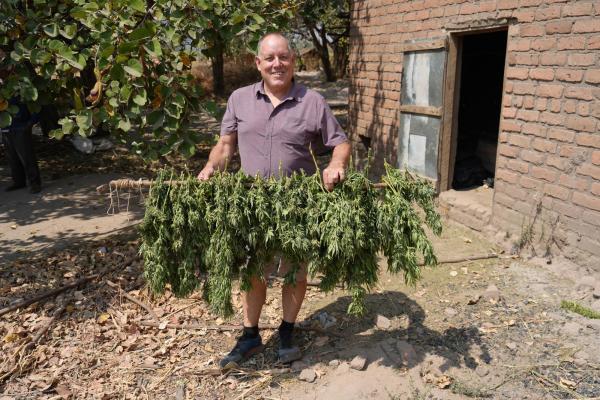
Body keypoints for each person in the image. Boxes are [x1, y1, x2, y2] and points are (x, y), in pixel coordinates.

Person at [197, 32, 351, 369]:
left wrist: (336, 165)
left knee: (295, 272)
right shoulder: (239, 99)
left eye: (283, 57)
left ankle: (286, 331)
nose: (277, 64)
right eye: (269, 58)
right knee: (254, 271)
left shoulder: (313, 101)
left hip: (297, 206)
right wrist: (211, 166)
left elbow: (339, 142)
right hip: (253, 205)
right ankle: (250, 335)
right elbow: (225, 146)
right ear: (258, 63)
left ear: (293, 61)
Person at [0, 56, 42, 194]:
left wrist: (30, 123)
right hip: (6, 127)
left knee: (27, 156)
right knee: (12, 157)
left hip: (21, 125)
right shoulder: (3, 87)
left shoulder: (21, 85)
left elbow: (34, 104)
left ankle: (34, 183)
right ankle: (18, 181)